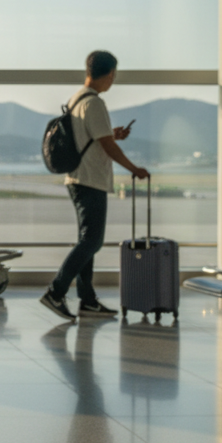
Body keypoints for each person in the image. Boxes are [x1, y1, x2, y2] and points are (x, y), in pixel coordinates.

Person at [40, 50, 149, 322]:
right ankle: (56, 291)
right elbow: (107, 146)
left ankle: (87, 300)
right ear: (110, 73)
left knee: (86, 242)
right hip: (90, 180)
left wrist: (113, 135)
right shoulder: (95, 103)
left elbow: (96, 137)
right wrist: (134, 168)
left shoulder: (77, 99)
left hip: (78, 178)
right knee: (92, 241)